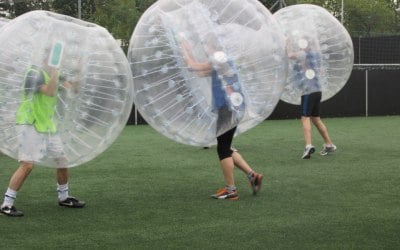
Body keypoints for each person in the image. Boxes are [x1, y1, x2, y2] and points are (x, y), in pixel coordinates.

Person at [0, 54, 85, 217]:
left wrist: (79, 70)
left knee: (62, 161)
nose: (55, 62)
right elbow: (49, 91)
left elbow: (73, 88)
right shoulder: (33, 73)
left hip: (46, 124)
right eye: (52, 59)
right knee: (28, 164)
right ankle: (6, 204)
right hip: (29, 123)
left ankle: (64, 197)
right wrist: (54, 72)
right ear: (44, 59)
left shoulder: (55, 74)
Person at [181, 36, 263, 200]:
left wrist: (185, 49)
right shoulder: (222, 60)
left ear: (212, 44)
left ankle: (231, 190)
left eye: (205, 43)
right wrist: (189, 54)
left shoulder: (220, 58)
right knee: (226, 146)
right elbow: (198, 71)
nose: (204, 47)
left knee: (223, 148)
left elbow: (192, 66)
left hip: (228, 108)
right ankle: (252, 175)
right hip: (231, 107)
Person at [287, 38, 336, 159]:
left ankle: (308, 145)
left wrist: (288, 43)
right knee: (316, 119)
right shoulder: (317, 55)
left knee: (305, 118)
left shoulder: (303, 53)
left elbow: (290, 55)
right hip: (317, 90)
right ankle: (329, 144)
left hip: (308, 91)